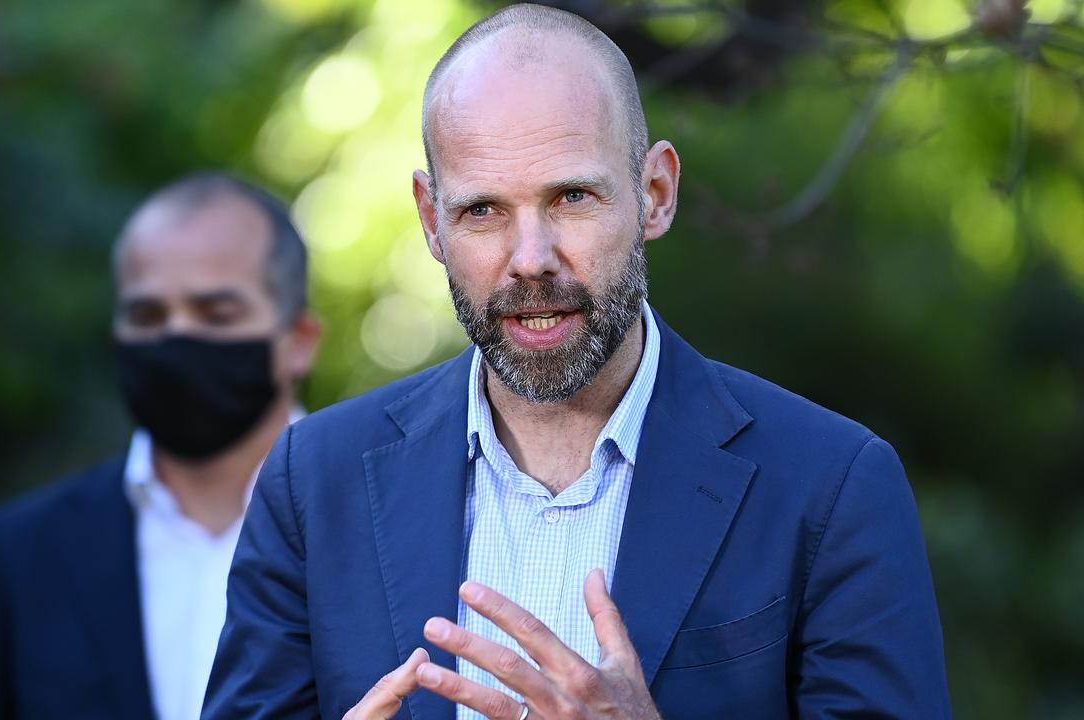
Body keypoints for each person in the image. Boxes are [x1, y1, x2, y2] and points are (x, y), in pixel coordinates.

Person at [202, 5, 950, 720]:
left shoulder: (832, 486)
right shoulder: (311, 482)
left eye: (571, 197)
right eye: (482, 211)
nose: (530, 261)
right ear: (432, 221)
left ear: (654, 194)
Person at [0, 172, 320, 720]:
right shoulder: (20, 554)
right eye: (147, 316)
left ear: (298, 342)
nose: (175, 337)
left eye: (216, 314)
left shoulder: (382, 522)